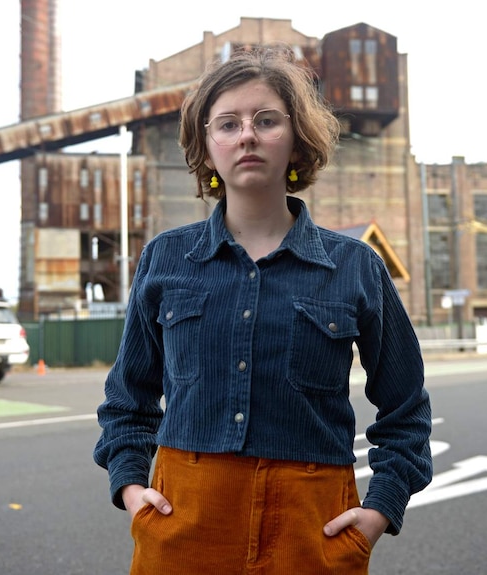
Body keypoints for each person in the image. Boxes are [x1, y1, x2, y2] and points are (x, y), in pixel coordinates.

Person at [94, 45, 432, 574]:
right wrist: (131, 485)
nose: (247, 134)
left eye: (267, 120)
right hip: (184, 520)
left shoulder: (356, 266)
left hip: (311, 527)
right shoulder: (166, 258)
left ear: (297, 140)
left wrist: (379, 509)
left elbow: (406, 406)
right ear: (206, 148)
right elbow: (129, 396)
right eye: (227, 123)